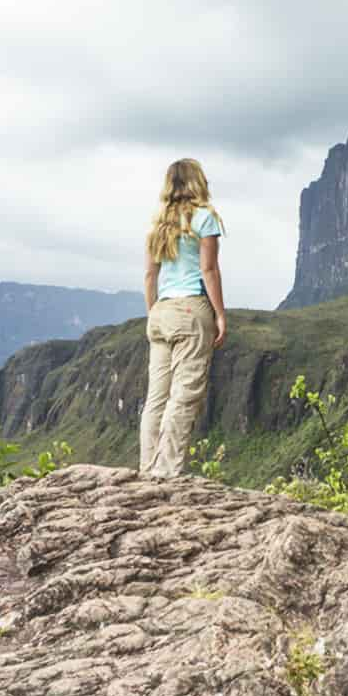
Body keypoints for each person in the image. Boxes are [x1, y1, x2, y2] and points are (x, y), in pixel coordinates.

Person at [139, 159, 227, 477]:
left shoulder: (158, 225)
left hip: (160, 312)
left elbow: (150, 275)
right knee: (183, 396)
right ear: (198, 182)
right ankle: (168, 474)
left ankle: (148, 470)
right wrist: (220, 315)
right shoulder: (204, 219)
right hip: (191, 310)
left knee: (156, 398)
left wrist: (154, 313)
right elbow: (209, 270)